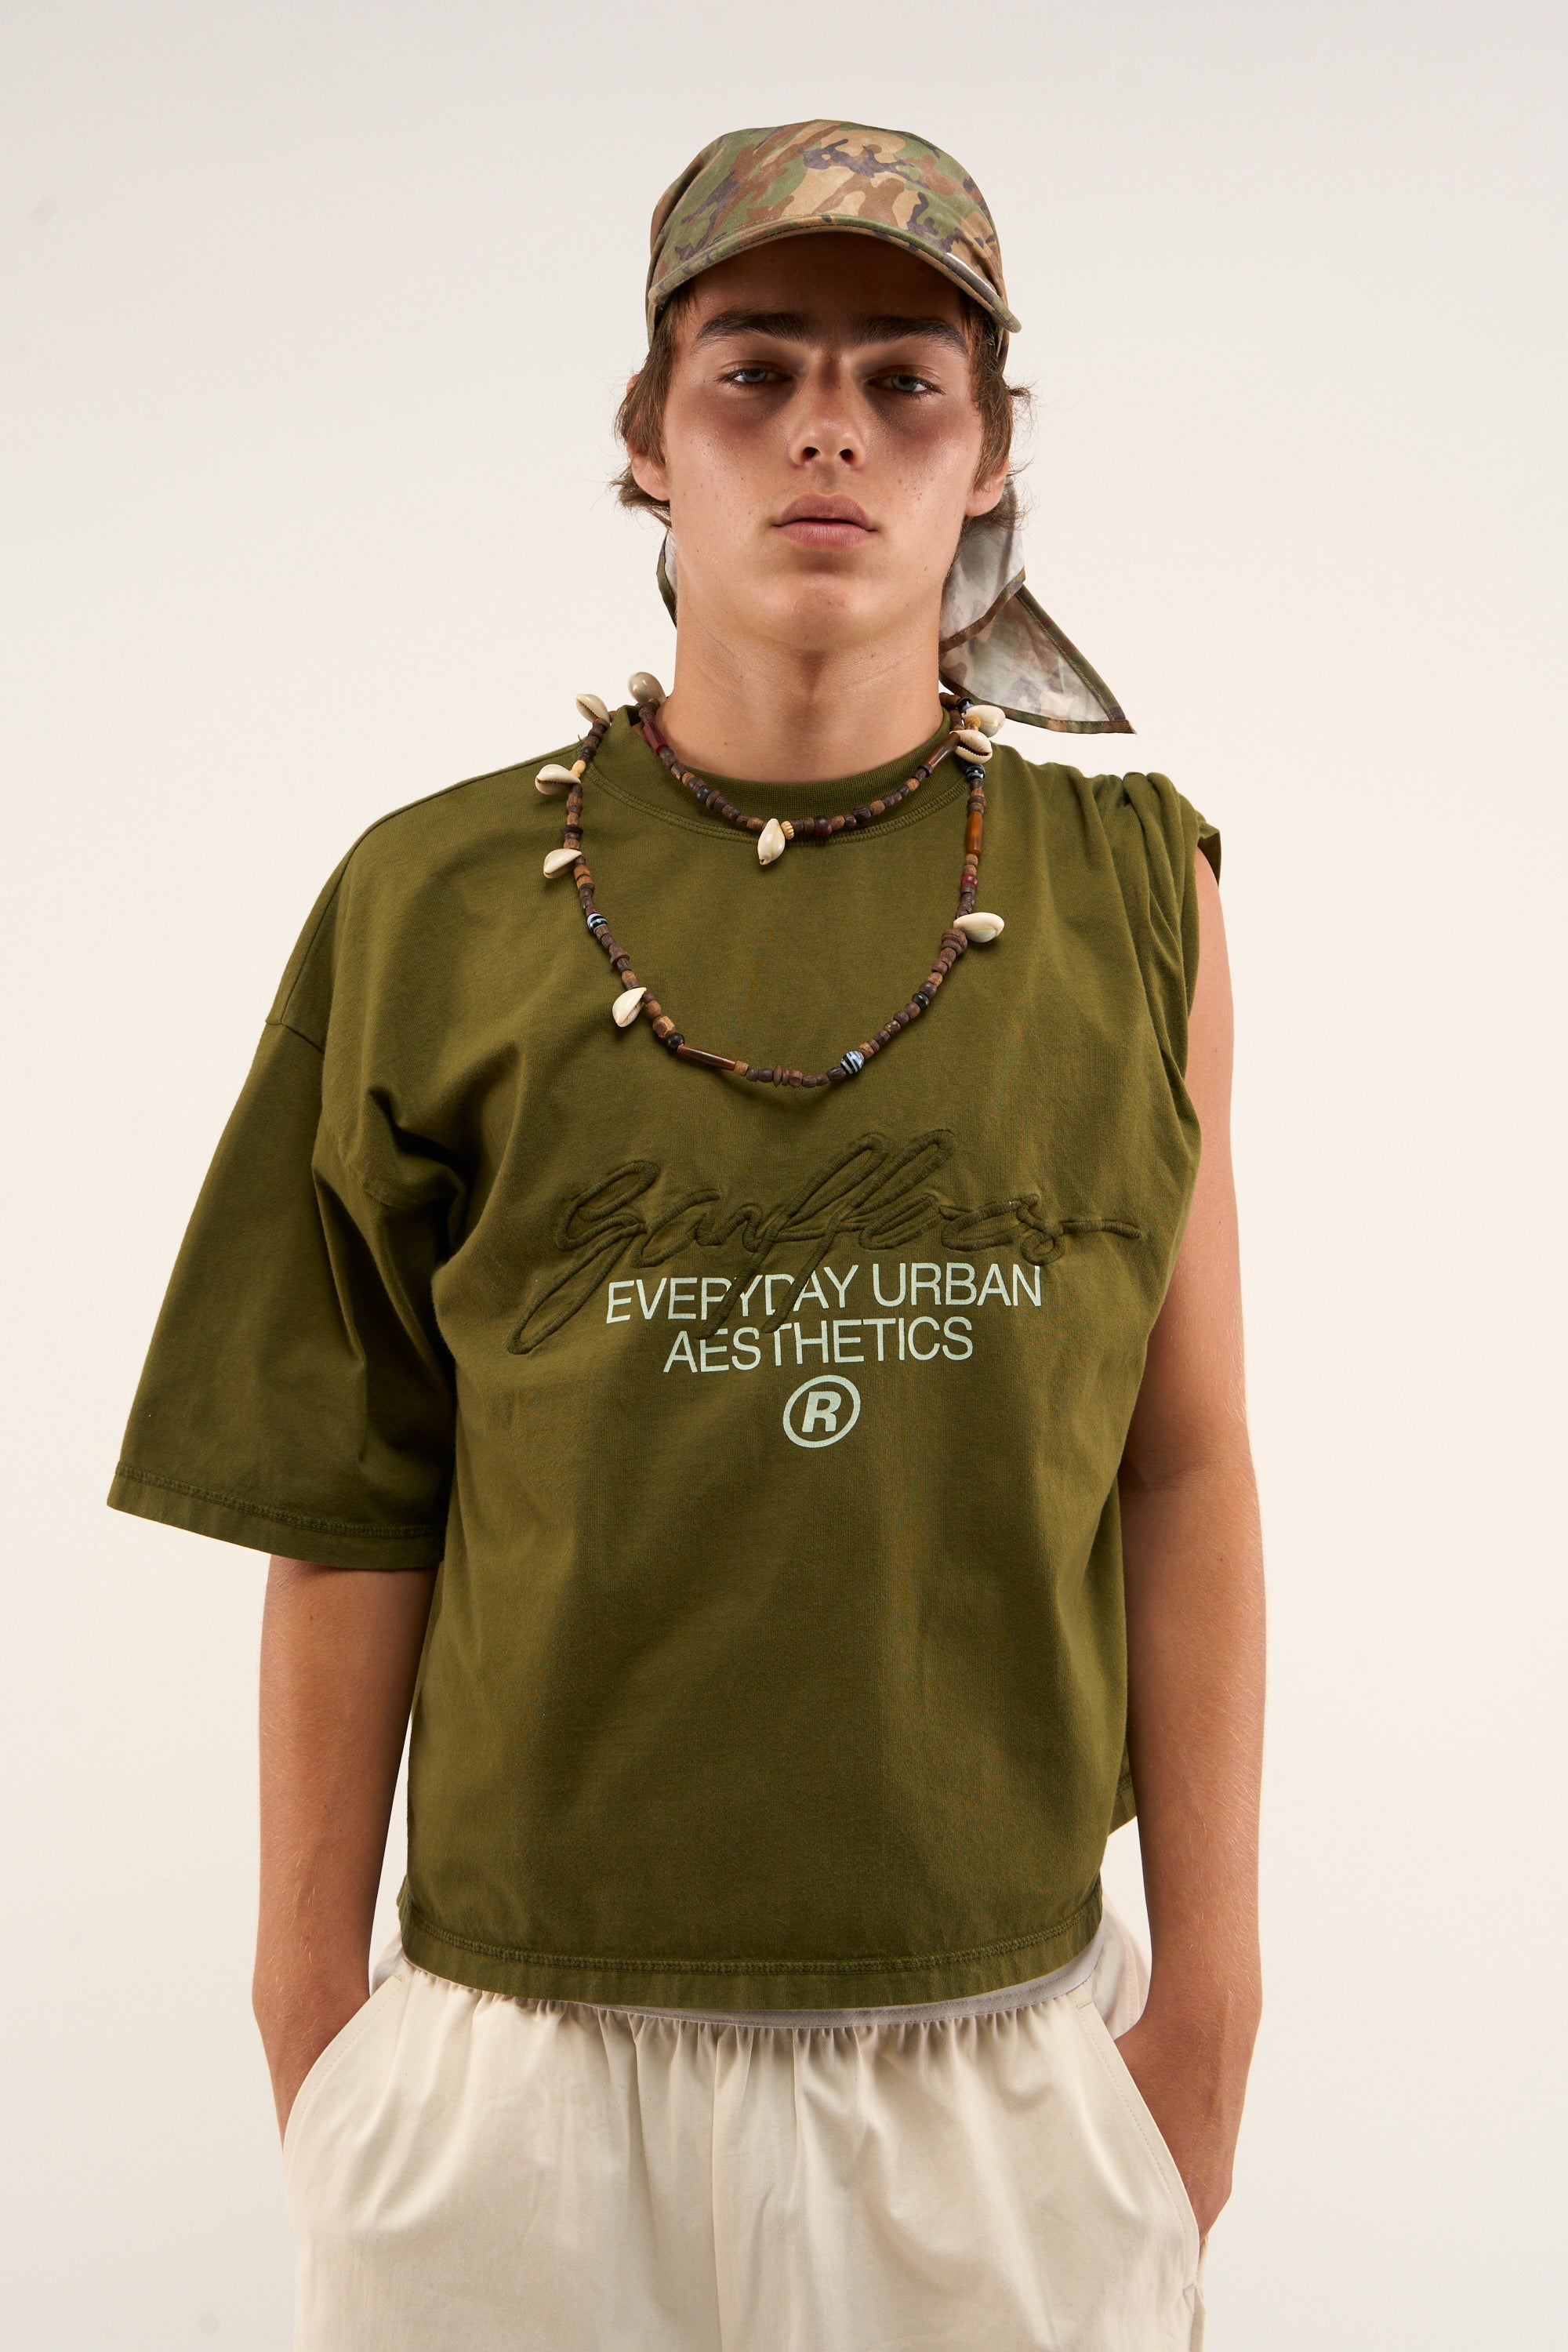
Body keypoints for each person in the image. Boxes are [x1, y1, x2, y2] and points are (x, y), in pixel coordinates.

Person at [110, 120, 1264, 2352]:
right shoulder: (430, 903)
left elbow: (1186, 1461)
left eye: (904, 378)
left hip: (994, 2057)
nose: (830, 425)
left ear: (986, 459)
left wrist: (1207, 2000)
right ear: (648, 440)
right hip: (519, 2057)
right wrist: (308, 2017)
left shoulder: (1138, 895)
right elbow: (350, 1497)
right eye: (756, 369)